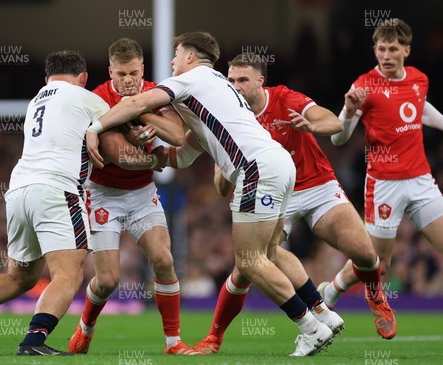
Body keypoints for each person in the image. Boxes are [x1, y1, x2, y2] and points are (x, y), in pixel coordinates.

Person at [86, 31, 334, 357]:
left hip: (256, 169)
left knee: (250, 260)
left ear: (191, 56)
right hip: (278, 164)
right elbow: (185, 150)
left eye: (176, 54)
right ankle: (322, 312)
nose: (172, 61)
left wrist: (94, 127)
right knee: (268, 253)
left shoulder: (193, 78)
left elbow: (137, 102)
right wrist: (155, 159)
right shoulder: (217, 86)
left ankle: (312, 328)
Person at [0, 50, 160, 356]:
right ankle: (33, 341)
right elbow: (118, 139)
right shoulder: (87, 98)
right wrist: (148, 151)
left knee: (20, 276)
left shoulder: (37, 101)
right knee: (69, 274)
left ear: (47, 78)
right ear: (82, 78)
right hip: (57, 189)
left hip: (18, 191)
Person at [194, 50, 397, 354]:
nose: (235, 86)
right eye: (231, 79)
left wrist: (313, 127)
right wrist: (225, 166)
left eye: (243, 80)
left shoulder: (285, 99)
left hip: (316, 184)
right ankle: (214, 337)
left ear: (260, 81)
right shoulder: (228, 115)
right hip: (274, 194)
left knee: (366, 254)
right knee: (246, 266)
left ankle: (374, 293)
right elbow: (221, 187)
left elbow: (332, 121)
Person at [67, 38, 200, 356]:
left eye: (135, 74)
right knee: (108, 280)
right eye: (122, 74)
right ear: (110, 71)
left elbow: (178, 135)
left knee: (164, 261)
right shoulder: (97, 98)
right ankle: (85, 327)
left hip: (142, 193)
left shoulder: (154, 92)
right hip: (103, 195)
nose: (129, 81)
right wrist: (148, 152)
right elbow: (120, 156)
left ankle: (173, 342)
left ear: (143, 70)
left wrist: (144, 114)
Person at [320, 18, 443, 334]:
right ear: (375, 50)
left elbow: (419, 108)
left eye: (392, 49)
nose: (386, 55)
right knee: (379, 264)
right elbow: (338, 138)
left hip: (420, 181)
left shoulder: (418, 79)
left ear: (406, 50)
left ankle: (330, 292)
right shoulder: (363, 87)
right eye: (381, 49)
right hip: (384, 185)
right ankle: (334, 290)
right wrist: (347, 112)